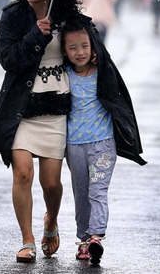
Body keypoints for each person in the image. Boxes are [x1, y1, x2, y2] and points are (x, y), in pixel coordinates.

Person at [0, 0, 83, 263]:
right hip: (22, 109)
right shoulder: (14, 15)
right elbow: (7, 59)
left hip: (55, 108)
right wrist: (34, 36)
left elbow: (86, 54)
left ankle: (51, 223)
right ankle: (27, 240)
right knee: (22, 173)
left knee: (51, 183)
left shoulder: (69, 17)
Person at [60, 19, 146, 265]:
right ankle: (84, 241)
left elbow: (120, 101)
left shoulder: (104, 73)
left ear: (94, 46)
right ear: (64, 50)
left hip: (103, 145)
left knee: (98, 191)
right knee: (81, 193)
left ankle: (96, 237)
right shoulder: (64, 75)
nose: (80, 52)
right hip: (74, 145)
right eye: (73, 47)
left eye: (85, 46)